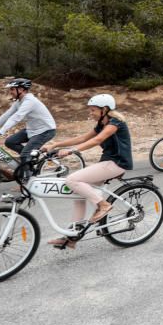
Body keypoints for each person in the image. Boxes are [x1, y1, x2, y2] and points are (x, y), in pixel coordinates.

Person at [42, 94, 133, 250]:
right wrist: (56, 144)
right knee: (78, 192)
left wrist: (71, 151)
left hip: (117, 163)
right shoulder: (101, 123)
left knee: (72, 180)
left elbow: (97, 140)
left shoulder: (115, 123)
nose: (90, 113)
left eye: (92, 110)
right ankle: (72, 236)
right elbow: (83, 138)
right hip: (107, 162)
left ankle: (103, 205)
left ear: (104, 109)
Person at [0, 78, 57, 180]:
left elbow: (16, 117)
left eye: (12, 89)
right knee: (10, 142)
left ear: (21, 89)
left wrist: (0, 133)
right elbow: (6, 115)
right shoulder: (19, 101)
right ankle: (29, 160)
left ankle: (28, 180)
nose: (10, 92)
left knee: (25, 154)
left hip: (46, 131)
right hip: (32, 130)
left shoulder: (29, 101)